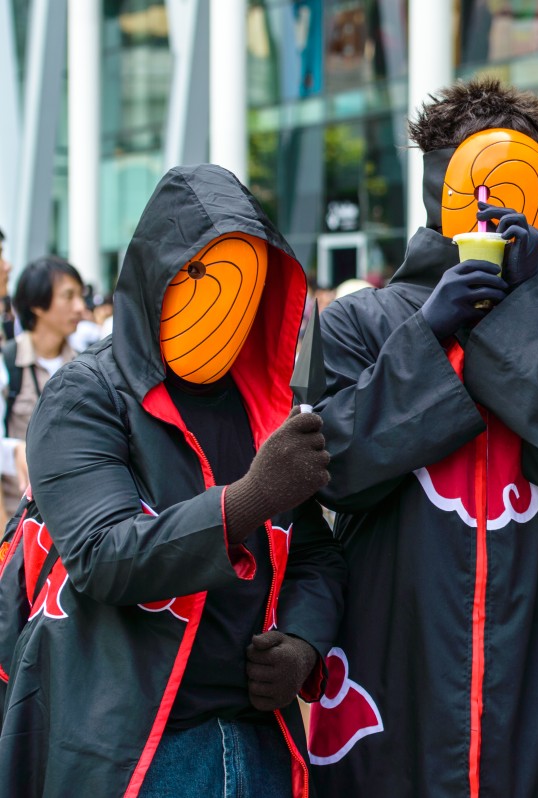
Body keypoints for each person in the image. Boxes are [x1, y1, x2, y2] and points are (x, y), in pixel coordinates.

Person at [308, 77, 538, 797]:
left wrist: (523, 314)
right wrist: (425, 333)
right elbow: (334, 468)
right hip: (389, 668)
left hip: (536, 678)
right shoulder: (358, 323)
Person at [0, 164, 346, 797]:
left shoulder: (261, 399)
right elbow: (103, 556)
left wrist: (303, 642)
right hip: (134, 745)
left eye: (249, 284)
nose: (227, 303)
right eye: (205, 277)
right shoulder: (88, 395)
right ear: (157, 276)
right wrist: (249, 499)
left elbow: (314, 555)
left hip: (259, 738)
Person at [2, 256, 86, 519]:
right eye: (68, 296)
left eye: (80, 296)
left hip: (74, 520)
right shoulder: (8, 362)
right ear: (37, 303)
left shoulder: (87, 366)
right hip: (19, 524)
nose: (80, 308)